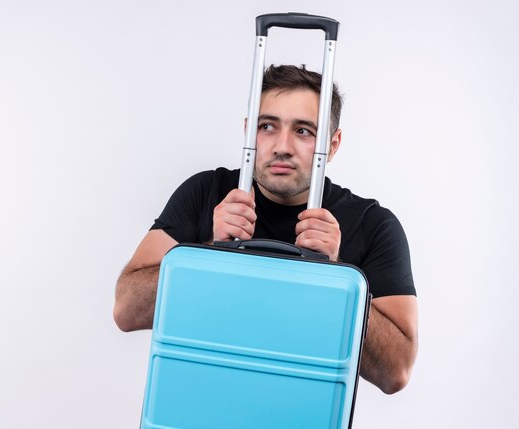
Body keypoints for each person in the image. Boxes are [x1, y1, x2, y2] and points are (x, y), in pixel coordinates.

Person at [113, 65, 418, 395]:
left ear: (332, 144)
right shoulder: (205, 193)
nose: (282, 146)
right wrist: (207, 255)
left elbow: (395, 372)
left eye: (304, 131)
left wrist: (338, 278)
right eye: (268, 126)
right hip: (198, 406)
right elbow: (126, 310)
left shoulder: (373, 224)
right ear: (248, 132)